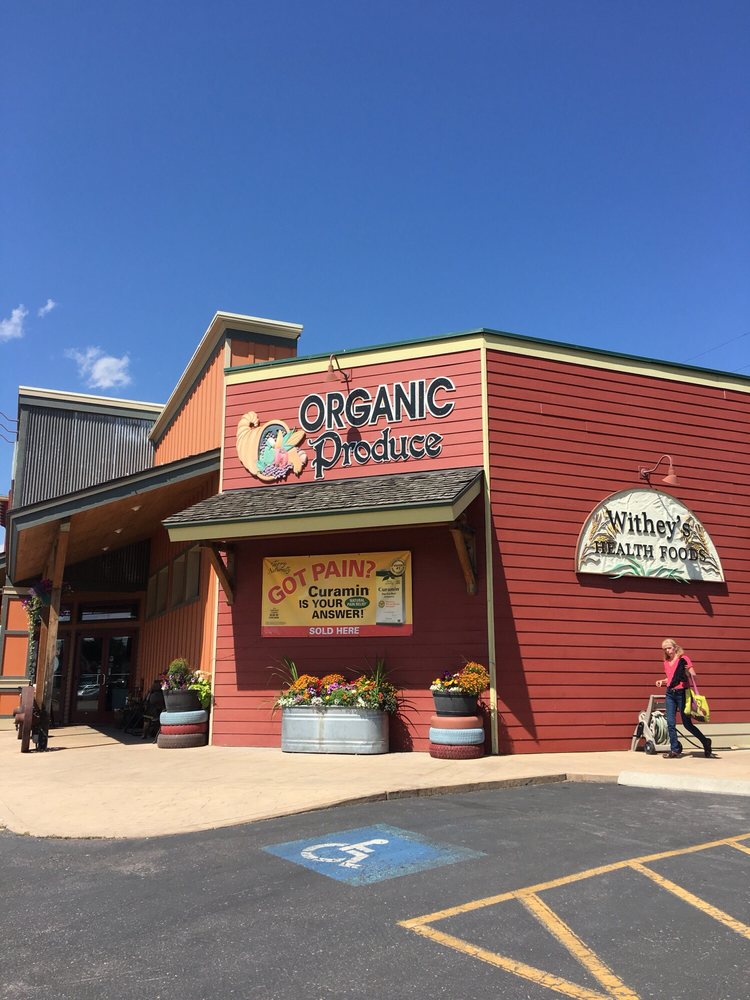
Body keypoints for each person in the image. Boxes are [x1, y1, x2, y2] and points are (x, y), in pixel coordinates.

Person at [655, 638, 712, 759]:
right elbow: (671, 678)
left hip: (682, 694)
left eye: (669, 648)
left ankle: (705, 742)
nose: (667, 651)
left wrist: (687, 672)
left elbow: (694, 677)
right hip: (670, 693)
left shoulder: (683, 659)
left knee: (687, 724)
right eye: (665, 649)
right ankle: (675, 750)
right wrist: (662, 681)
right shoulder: (666, 662)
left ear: (675, 647)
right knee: (670, 723)